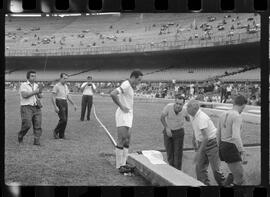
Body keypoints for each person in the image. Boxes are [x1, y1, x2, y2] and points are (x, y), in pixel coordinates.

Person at [110, 70, 143, 174]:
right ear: (133, 77)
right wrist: (121, 106)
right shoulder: (126, 84)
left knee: (127, 140)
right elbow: (113, 94)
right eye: (138, 80)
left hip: (129, 114)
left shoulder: (130, 85)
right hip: (123, 114)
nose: (139, 82)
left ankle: (123, 164)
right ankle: (119, 166)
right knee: (122, 139)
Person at [186, 99, 225, 185]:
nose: (186, 109)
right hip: (202, 142)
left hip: (212, 143)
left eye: (188, 107)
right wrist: (194, 138)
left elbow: (206, 137)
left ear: (195, 108)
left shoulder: (202, 118)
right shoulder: (193, 115)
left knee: (216, 170)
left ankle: (224, 184)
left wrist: (199, 152)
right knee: (200, 169)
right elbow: (195, 128)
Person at [217, 94, 248, 186]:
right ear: (242, 105)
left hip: (223, 145)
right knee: (240, 178)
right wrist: (242, 150)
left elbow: (218, 133)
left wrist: (220, 147)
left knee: (234, 173)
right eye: (243, 107)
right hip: (231, 146)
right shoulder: (237, 116)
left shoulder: (222, 114)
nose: (243, 109)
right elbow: (235, 136)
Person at [160, 94, 189, 170]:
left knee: (178, 154)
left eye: (180, 104)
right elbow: (162, 117)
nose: (178, 106)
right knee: (169, 152)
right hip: (168, 131)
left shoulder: (185, 110)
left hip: (179, 132)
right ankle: (171, 169)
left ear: (183, 104)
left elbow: (188, 118)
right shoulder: (168, 107)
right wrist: (166, 128)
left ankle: (178, 172)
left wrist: (188, 117)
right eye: (177, 103)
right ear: (174, 102)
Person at [18, 70, 43, 145]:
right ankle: (20, 135)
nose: (34, 77)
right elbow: (24, 95)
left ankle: (36, 141)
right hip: (26, 107)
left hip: (36, 107)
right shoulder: (23, 85)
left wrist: (39, 92)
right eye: (32, 76)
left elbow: (40, 96)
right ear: (28, 77)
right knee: (27, 124)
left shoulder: (36, 85)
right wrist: (36, 91)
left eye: (35, 76)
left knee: (38, 125)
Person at [52, 73, 77, 139]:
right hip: (59, 101)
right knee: (63, 119)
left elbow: (68, 96)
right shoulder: (56, 86)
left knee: (66, 120)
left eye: (66, 79)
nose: (65, 80)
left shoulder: (66, 86)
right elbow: (53, 97)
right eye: (64, 78)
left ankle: (61, 134)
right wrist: (55, 106)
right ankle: (55, 131)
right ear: (60, 78)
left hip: (65, 102)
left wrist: (73, 104)